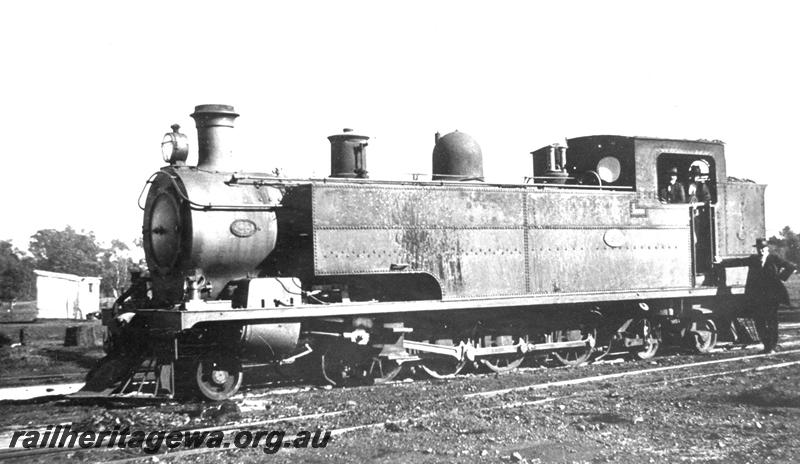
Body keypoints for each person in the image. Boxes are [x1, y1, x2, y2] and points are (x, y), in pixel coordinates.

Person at [716, 238, 797, 353]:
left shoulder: (774, 259)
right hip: (758, 297)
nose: (761, 251)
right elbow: (739, 261)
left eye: (763, 248)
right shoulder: (753, 259)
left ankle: (772, 346)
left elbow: (791, 266)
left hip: (772, 297)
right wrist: (722, 261)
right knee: (759, 322)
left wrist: (780, 277)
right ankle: (766, 346)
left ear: (767, 249)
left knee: (772, 322)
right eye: (759, 249)